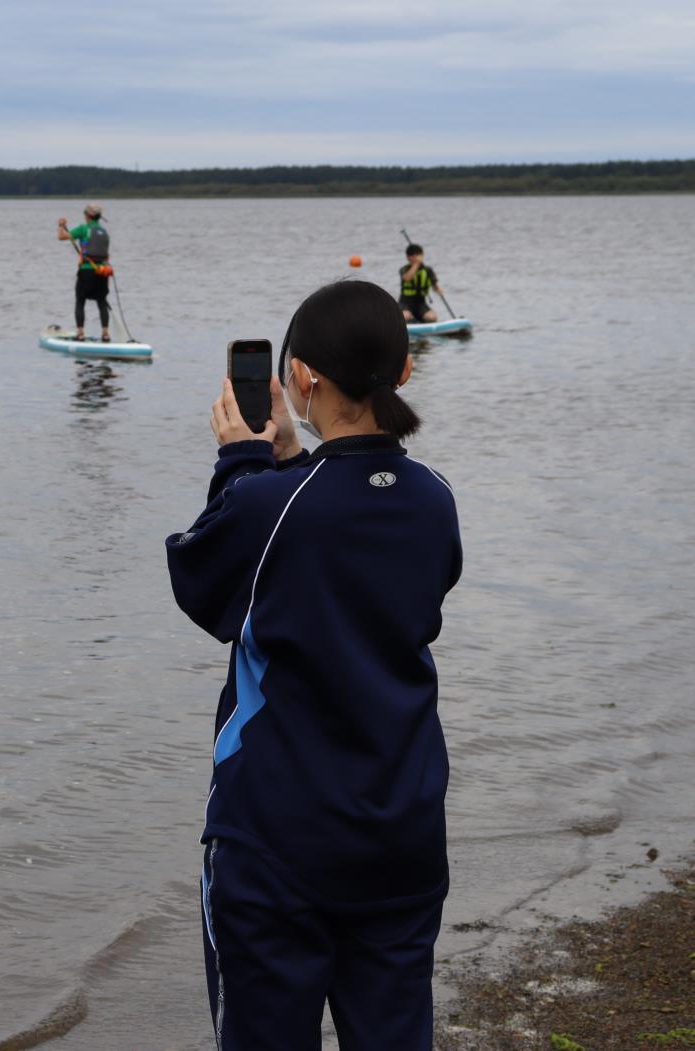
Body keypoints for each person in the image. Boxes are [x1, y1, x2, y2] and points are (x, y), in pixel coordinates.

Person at [165, 280, 462, 1051]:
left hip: (277, 843)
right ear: (401, 373)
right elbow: (383, 586)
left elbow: (205, 581)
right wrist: (292, 465)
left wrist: (240, 460)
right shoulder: (433, 498)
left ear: (300, 379)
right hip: (400, 829)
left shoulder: (270, 505)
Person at [56, 204, 111, 342]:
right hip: (103, 272)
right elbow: (106, 256)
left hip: (86, 271)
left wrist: (61, 225)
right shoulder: (105, 233)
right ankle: (105, 333)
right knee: (102, 302)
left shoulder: (83, 228)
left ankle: (80, 333)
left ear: (88, 215)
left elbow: (61, 237)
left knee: (80, 301)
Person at [399, 242, 443, 323]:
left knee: (432, 317)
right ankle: (411, 321)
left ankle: (419, 320)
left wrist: (438, 289)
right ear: (409, 257)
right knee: (405, 316)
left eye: (418, 255)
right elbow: (407, 278)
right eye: (412, 255)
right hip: (405, 303)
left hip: (420, 303)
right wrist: (416, 264)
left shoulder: (428, 270)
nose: (415, 257)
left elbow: (435, 286)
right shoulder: (404, 269)